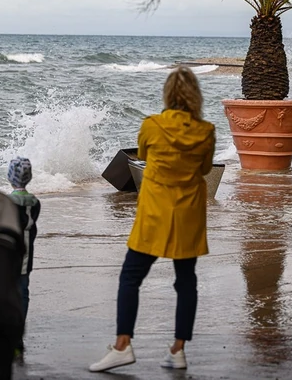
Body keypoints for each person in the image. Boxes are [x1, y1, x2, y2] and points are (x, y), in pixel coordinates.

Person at [89, 67, 215, 372]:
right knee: (186, 282)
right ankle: (178, 350)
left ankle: (122, 346)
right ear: (195, 96)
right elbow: (205, 169)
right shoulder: (206, 131)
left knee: (130, 278)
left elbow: (143, 154)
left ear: (168, 94)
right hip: (187, 214)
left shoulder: (152, 126)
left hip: (155, 214)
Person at [6, 156, 41, 354]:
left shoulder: (7, 202)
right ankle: (18, 331)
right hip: (27, 254)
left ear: (10, 178)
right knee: (23, 291)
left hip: (7, 256)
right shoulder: (34, 203)